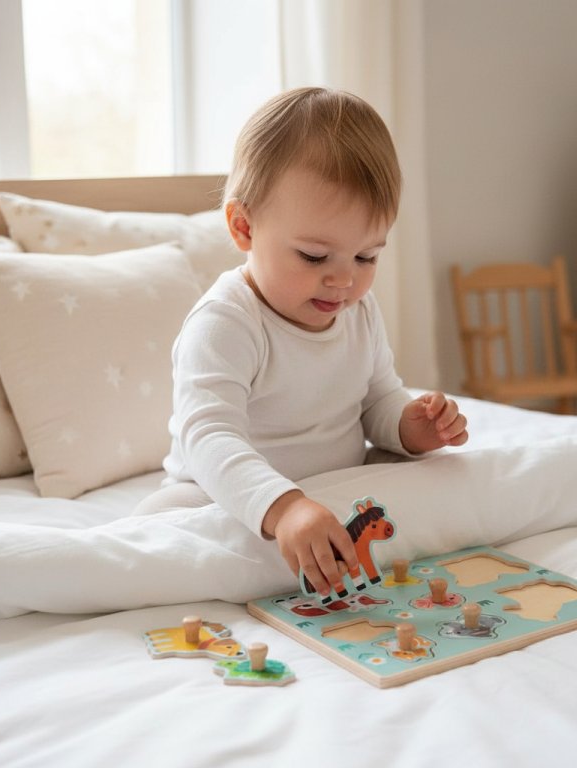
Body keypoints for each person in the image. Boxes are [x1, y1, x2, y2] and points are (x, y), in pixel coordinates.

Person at [137, 87, 469, 598]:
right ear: (244, 227)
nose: (344, 281)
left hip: (336, 487)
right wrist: (284, 506)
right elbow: (210, 438)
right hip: (226, 494)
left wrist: (410, 426)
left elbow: (377, 401)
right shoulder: (226, 321)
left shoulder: (359, 311)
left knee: (439, 478)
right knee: (158, 529)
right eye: (315, 257)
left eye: (366, 257)